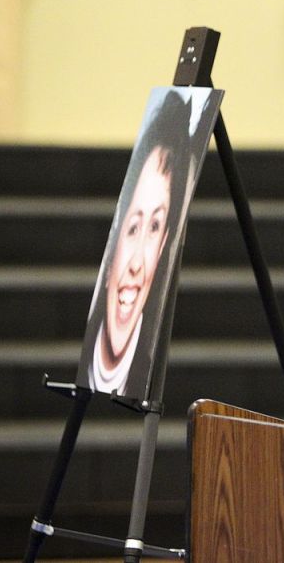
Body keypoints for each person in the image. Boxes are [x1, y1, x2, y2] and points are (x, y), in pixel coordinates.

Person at [76, 90, 193, 401]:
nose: (137, 263)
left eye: (154, 227)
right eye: (132, 228)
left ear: (165, 243)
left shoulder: (142, 369)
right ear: (115, 237)